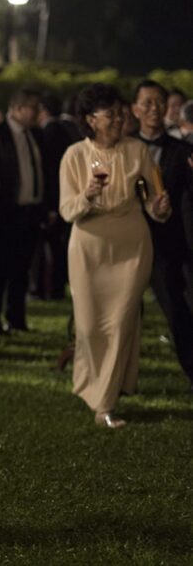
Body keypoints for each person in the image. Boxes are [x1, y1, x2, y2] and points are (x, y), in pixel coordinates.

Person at [60, 84, 170, 427]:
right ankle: (93, 386)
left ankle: (104, 405)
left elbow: (154, 203)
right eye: (113, 114)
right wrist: (88, 196)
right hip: (89, 248)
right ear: (92, 120)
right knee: (91, 325)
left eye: (122, 113)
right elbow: (67, 210)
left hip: (132, 246)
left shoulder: (138, 151)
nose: (121, 119)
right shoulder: (74, 156)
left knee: (122, 322)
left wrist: (159, 208)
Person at [131, 80, 193, 390]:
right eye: (148, 103)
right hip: (128, 241)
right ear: (135, 109)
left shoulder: (182, 151)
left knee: (178, 310)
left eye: (160, 103)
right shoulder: (123, 148)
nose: (154, 109)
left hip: (170, 244)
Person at [0, 88, 45, 334]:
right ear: (18, 109)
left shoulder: (36, 135)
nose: (37, 114)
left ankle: (16, 319)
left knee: (22, 268)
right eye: (33, 108)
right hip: (5, 211)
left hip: (30, 211)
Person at [35, 92, 81, 300]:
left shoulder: (51, 132)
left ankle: (48, 288)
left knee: (49, 247)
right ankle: (56, 287)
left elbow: (50, 171)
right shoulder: (72, 130)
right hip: (71, 198)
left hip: (55, 199)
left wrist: (50, 204)